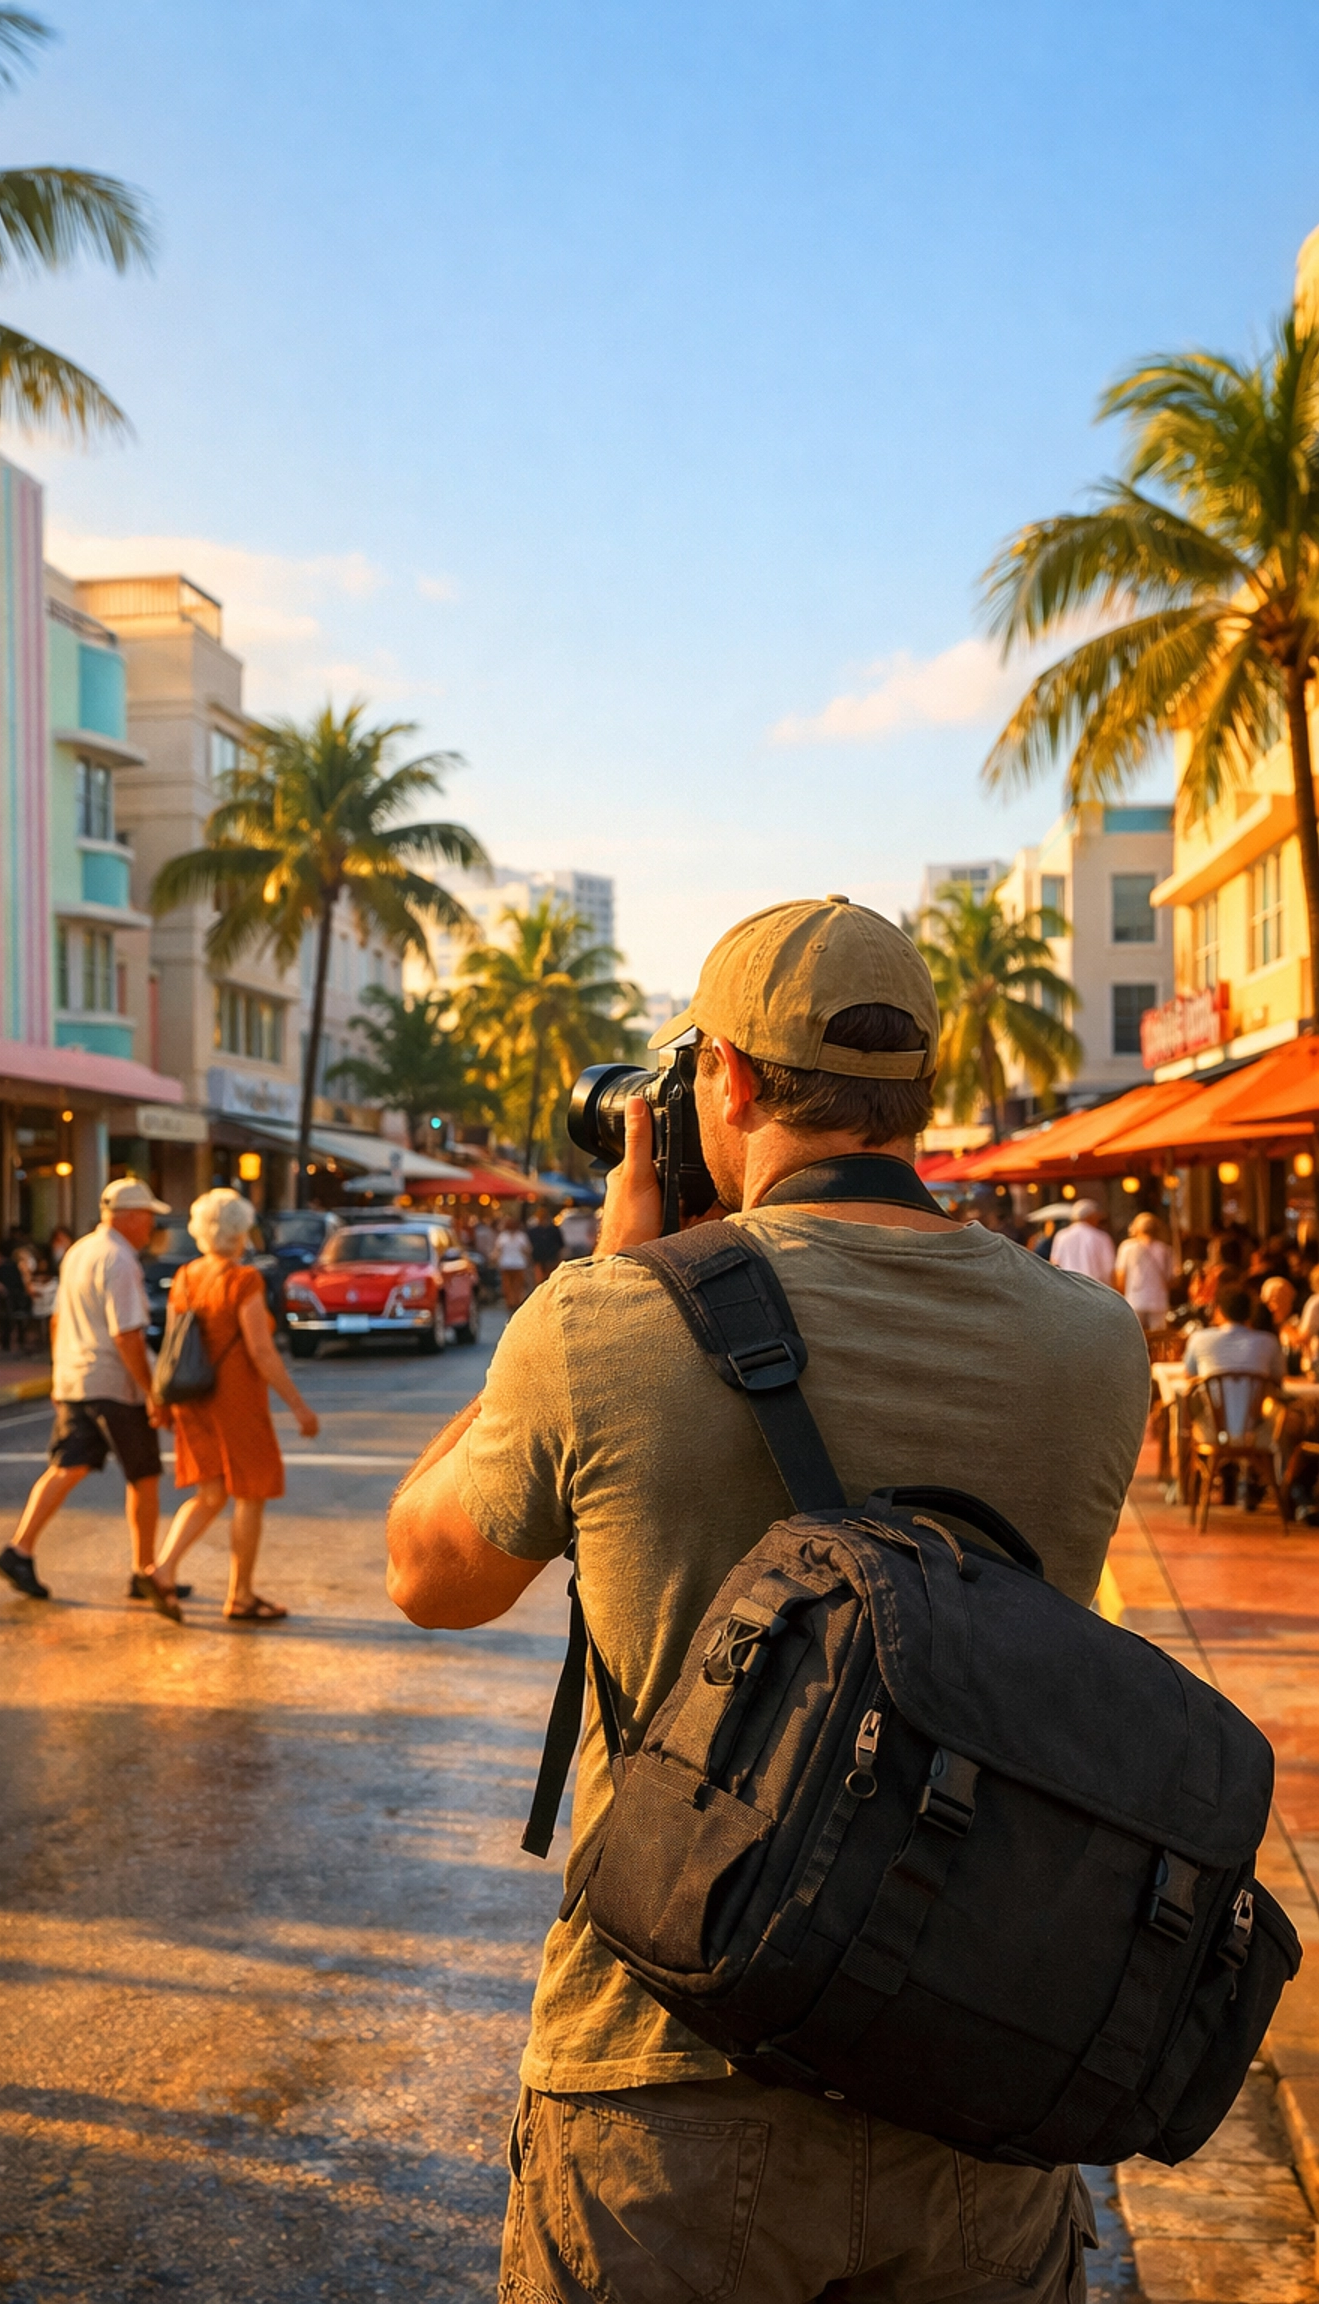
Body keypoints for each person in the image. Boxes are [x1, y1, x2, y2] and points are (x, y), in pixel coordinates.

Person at [386, 895, 1148, 2303]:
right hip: (977, 2070)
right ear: (918, 1095)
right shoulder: (1095, 1344)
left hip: (665, 2081)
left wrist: (610, 1273)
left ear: (722, 1081)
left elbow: (427, 1577)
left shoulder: (609, 1321)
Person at [0, 1179, 176, 1604]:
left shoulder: (78, 1252)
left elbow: (57, 1319)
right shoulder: (120, 1260)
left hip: (77, 1376)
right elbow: (127, 1334)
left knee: (66, 1465)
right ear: (128, 1217)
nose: (151, 1226)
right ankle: (144, 1570)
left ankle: (20, 1548)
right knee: (144, 1476)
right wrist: (151, 1392)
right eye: (147, 1216)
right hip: (114, 1382)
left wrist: (59, 1374)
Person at [142, 1187, 320, 1625]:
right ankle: (239, 1595)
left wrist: (158, 1398)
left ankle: (162, 1570)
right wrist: (299, 1407)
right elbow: (261, 1351)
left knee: (210, 1494)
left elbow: (172, 1343)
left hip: (191, 1397)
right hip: (235, 1400)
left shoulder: (185, 1276)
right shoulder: (244, 1280)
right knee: (251, 1493)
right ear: (241, 1231)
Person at [1183, 1284, 1288, 1509]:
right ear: (1250, 1312)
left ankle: (1190, 1485)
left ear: (1218, 1310)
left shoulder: (1200, 1340)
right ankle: (1265, 1486)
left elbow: (1188, 1375)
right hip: (1256, 1434)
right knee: (1280, 1413)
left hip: (1213, 1432)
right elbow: (1279, 1380)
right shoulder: (1268, 1342)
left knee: (1192, 1405)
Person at [1114, 1209, 1175, 1329]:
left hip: (1134, 1300)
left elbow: (1120, 1276)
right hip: (1159, 1301)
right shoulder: (1166, 1250)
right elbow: (1171, 1279)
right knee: (1158, 1339)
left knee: (1135, 1338)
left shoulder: (1127, 1247)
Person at [1048, 1197, 1116, 1283]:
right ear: (1091, 1216)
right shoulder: (1101, 1237)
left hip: (1068, 1286)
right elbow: (1109, 1269)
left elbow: (1054, 1263)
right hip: (1094, 1287)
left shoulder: (1061, 1236)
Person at [493, 1212, 533, 1312]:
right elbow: (527, 1250)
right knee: (518, 1285)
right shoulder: (521, 1236)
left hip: (505, 1263)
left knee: (507, 1285)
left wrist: (495, 1259)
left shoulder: (503, 1236)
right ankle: (517, 1301)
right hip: (519, 1263)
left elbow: (498, 1250)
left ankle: (510, 1302)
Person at [527, 1204, 564, 1286]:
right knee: (544, 1279)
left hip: (547, 1257)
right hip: (543, 1257)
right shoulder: (552, 1229)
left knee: (546, 1279)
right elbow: (560, 1244)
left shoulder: (535, 1231)